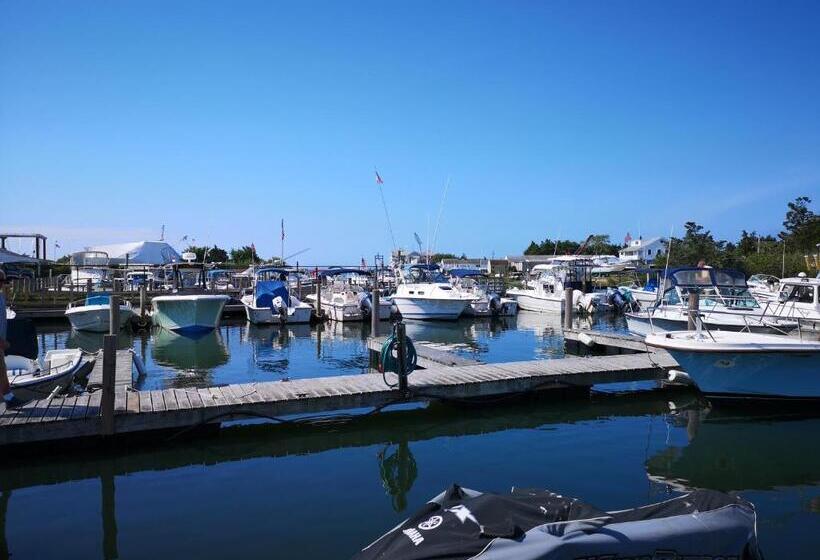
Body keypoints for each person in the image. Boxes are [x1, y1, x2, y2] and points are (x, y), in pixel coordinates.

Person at [0, 270, 11, 401]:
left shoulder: (1, 297)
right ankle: (9, 398)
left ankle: (8, 398)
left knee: (2, 369)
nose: (3, 283)